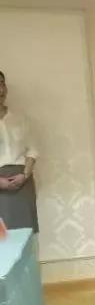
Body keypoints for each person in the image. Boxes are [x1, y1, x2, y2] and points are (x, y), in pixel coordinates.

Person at [0, 69, 40, 232]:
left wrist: (25, 174)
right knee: (3, 239)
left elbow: (32, 150)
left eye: (2, 84)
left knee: (26, 234)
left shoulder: (21, 119)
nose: (0, 90)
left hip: (22, 181)